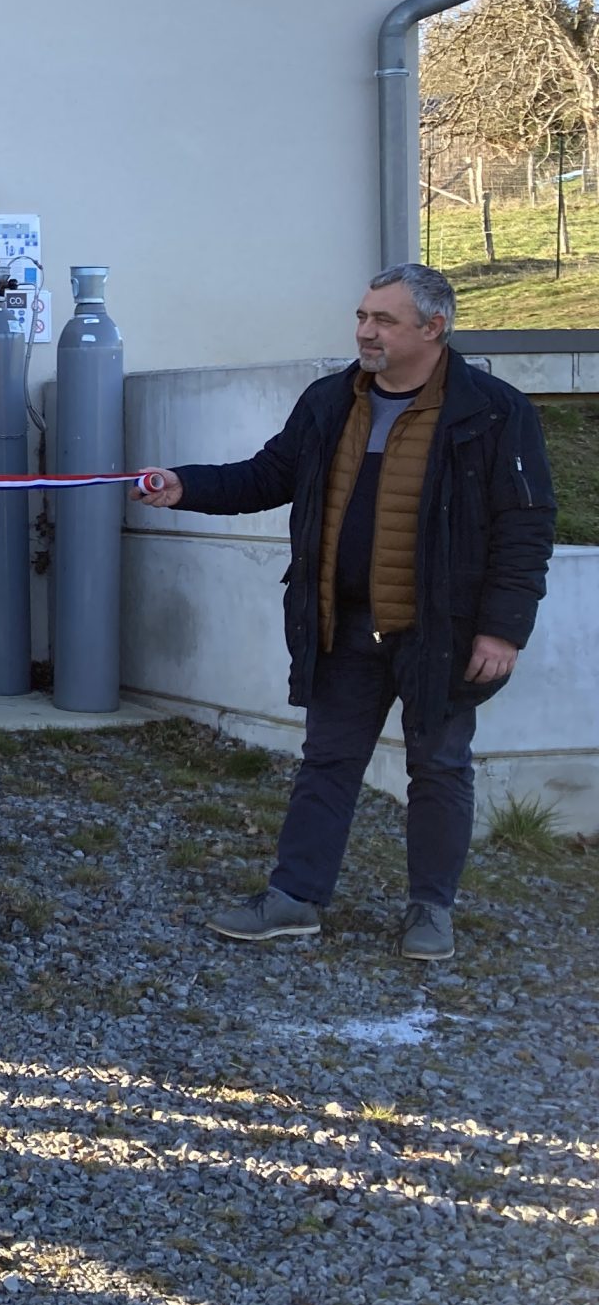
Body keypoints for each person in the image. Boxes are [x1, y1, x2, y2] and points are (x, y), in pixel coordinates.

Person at [133, 263, 555, 962]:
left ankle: (430, 912)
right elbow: (268, 475)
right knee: (326, 763)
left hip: (440, 633)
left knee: (440, 768)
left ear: (433, 328)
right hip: (342, 623)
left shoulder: (494, 412)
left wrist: (504, 629)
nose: (365, 331)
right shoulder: (332, 402)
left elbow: (525, 527)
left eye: (383, 320)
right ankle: (295, 899)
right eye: (362, 317)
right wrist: (185, 486)